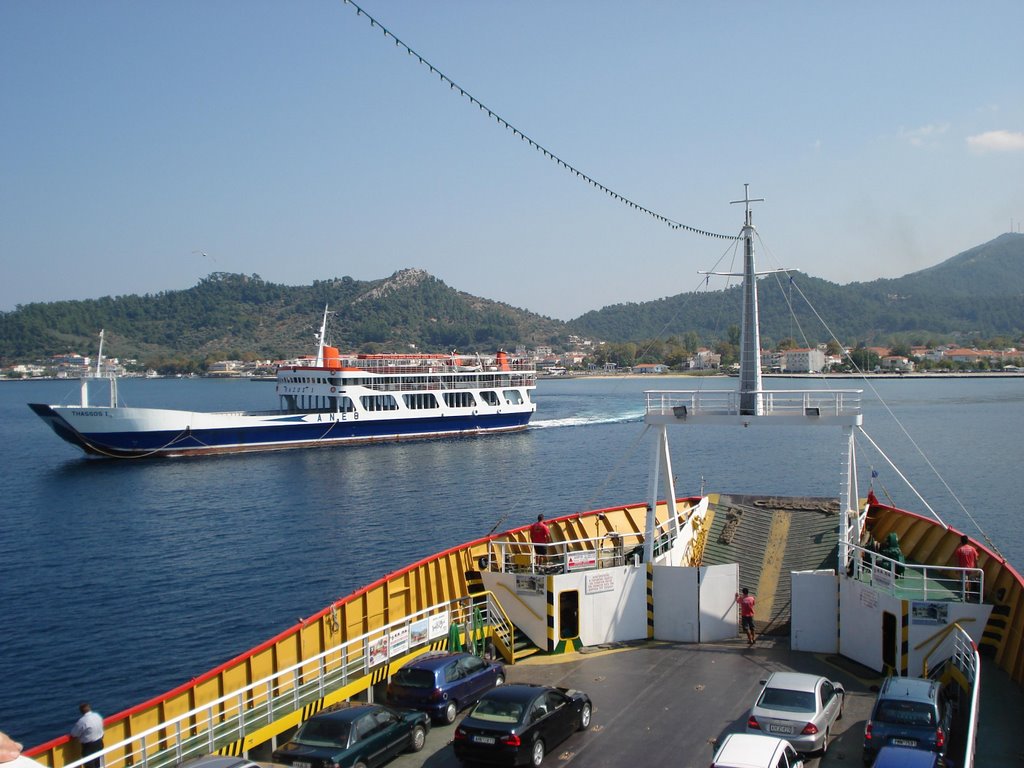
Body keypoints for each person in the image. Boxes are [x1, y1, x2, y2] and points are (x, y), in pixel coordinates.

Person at [71, 702, 104, 768]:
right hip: (99, 742)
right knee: (98, 763)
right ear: (90, 708)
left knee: (89, 765)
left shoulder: (82, 721)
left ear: (81, 711)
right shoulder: (97, 716)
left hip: (89, 747)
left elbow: (74, 734)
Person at [954, 534, 980, 601]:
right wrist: (977, 568)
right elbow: (976, 559)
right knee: (968, 581)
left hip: (963, 569)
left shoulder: (959, 550)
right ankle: (968, 594)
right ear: (967, 541)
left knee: (965, 582)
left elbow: (957, 560)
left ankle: (966, 595)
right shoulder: (972, 549)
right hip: (971, 568)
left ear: (961, 541)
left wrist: (957, 569)